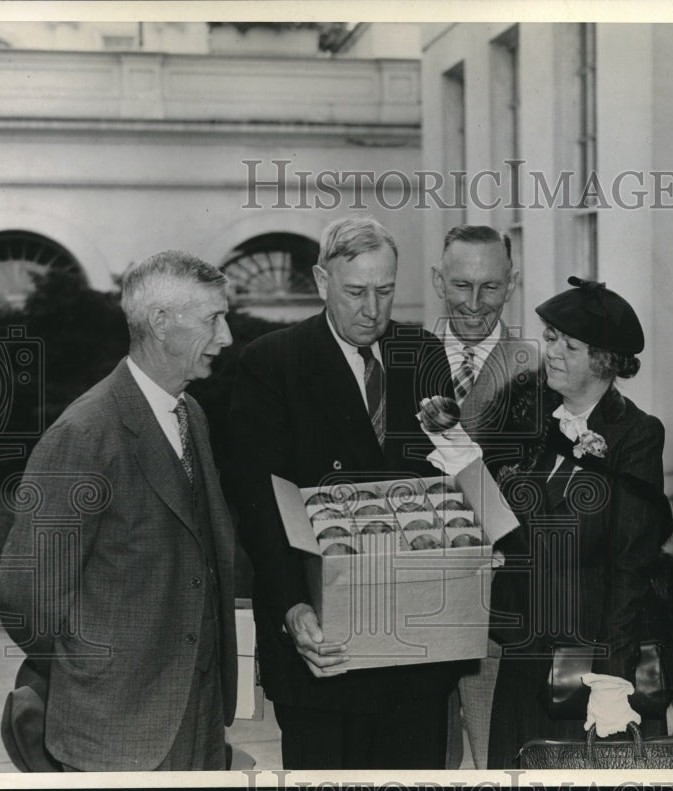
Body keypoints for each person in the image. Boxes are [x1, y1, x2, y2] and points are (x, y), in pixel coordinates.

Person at [0, 250, 238, 771]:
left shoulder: (190, 412)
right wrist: (93, 680)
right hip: (116, 737)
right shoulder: (84, 433)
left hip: (197, 722)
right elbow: (22, 594)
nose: (226, 338)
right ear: (160, 322)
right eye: (214, 319)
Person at [228, 216, 458, 769]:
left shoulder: (423, 353)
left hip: (414, 646)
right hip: (321, 646)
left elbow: (447, 482)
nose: (372, 309)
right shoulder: (270, 363)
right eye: (356, 291)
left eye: (385, 291)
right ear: (320, 280)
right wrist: (291, 607)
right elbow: (259, 504)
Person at [485, 276, 673, 770]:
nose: (551, 352)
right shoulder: (534, 414)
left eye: (569, 345)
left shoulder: (635, 435)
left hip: (590, 658)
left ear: (605, 362)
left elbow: (630, 565)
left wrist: (612, 679)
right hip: (526, 650)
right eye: (549, 338)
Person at [431, 224, 537, 769]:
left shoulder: (543, 372)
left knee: (500, 767)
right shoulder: (395, 364)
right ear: (436, 282)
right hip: (412, 615)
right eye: (460, 285)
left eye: (491, 287)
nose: (474, 304)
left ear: (512, 284)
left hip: (498, 617)